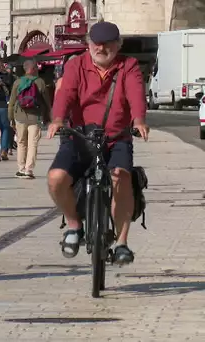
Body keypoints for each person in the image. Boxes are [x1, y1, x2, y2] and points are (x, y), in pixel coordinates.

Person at [46, 21, 150, 264]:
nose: (101, 48)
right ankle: (74, 225)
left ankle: (122, 243)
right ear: (88, 43)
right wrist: (58, 119)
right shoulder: (76, 65)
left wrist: (139, 120)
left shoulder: (128, 65)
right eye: (96, 43)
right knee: (56, 178)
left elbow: (136, 92)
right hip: (80, 136)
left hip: (115, 138)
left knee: (121, 177)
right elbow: (66, 93)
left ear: (118, 44)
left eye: (108, 44)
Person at [8, 59, 51, 179]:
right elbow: (46, 101)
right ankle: (29, 170)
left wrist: (11, 118)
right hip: (35, 117)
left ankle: (21, 169)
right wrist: (47, 116)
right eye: (36, 68)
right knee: (33, 144)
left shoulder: (17, 82)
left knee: (21, 142)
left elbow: (11, 102)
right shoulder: (40, 82)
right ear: (32, 69)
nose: (38, 70)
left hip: (19, 117)